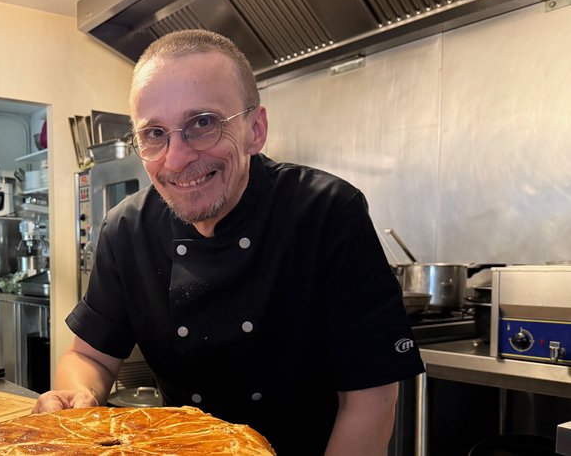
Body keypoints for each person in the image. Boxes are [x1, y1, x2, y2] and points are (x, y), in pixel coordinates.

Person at [33, 29, 424, 455]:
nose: (177, 159)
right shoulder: (127, 228)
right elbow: (90, 357)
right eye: (154, 133)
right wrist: (80, 399)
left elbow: (370, 398)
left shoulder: (326, 213)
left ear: (256, 130)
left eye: (202, 124)